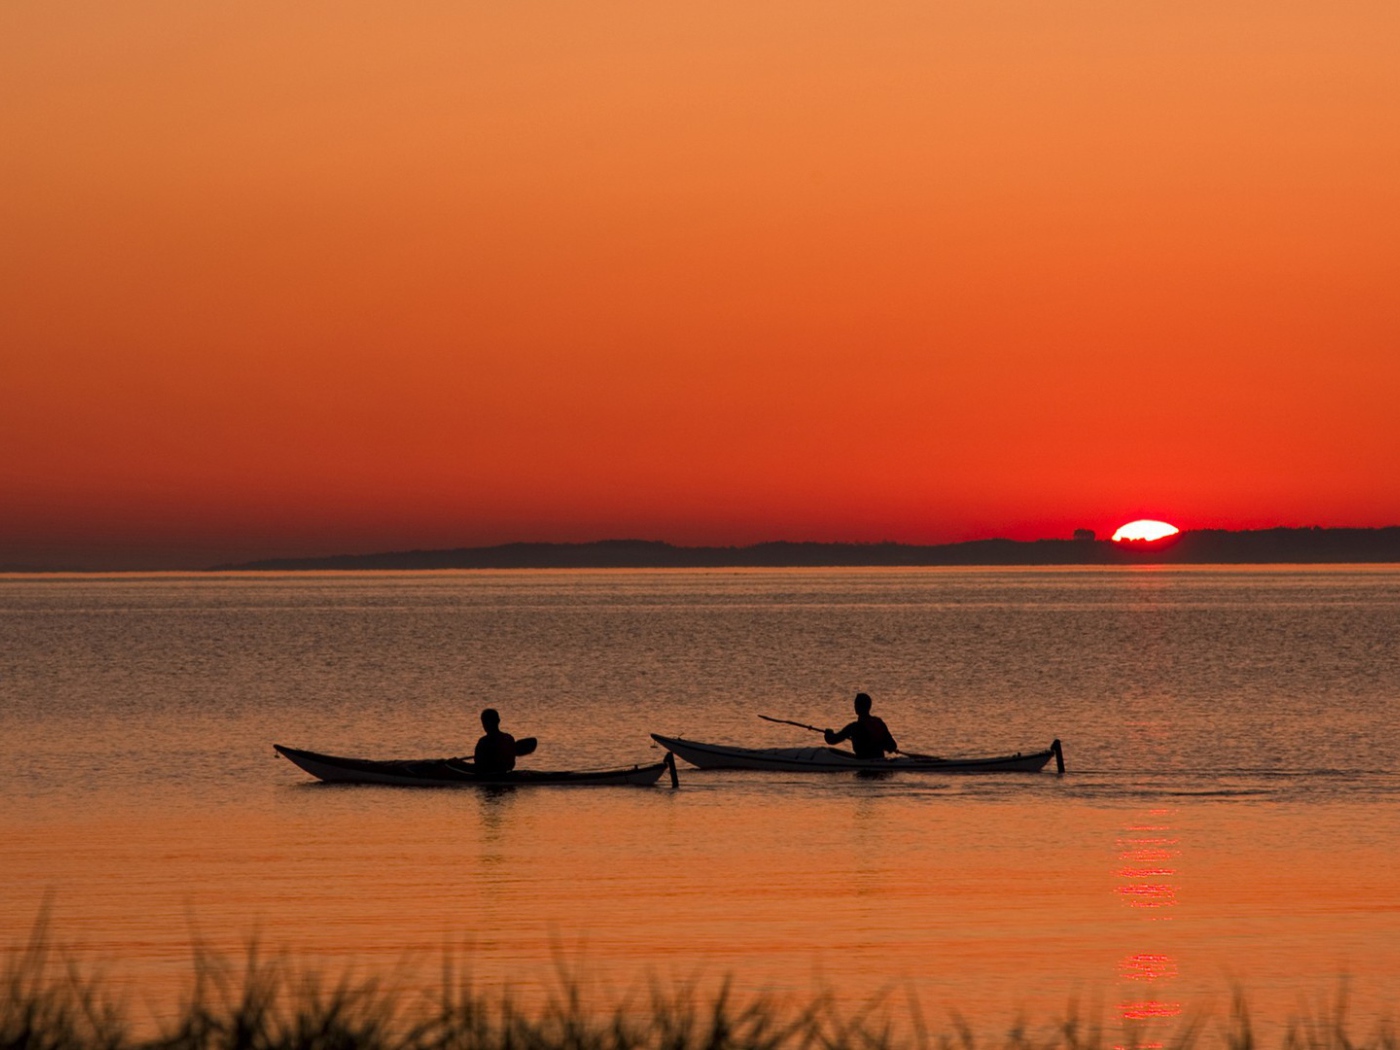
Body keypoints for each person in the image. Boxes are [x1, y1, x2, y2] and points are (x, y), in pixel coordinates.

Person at [824, 692, 898, 760]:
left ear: (857, 707)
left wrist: (828, 733)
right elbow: (892, 746)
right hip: (879, 759)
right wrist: (885, 747)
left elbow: (832, 740)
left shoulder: (854, 727)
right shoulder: (878, 722)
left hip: (863, 761)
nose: (854, 706)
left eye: (855, 704)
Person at [473, 707, 525, 774]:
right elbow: (511, 764)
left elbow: (478, 764)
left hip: (487, 773)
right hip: (504, 772)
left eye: (484, 722)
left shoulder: (483, 741)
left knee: (457, 765)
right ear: (498, 721)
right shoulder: (508, 738)